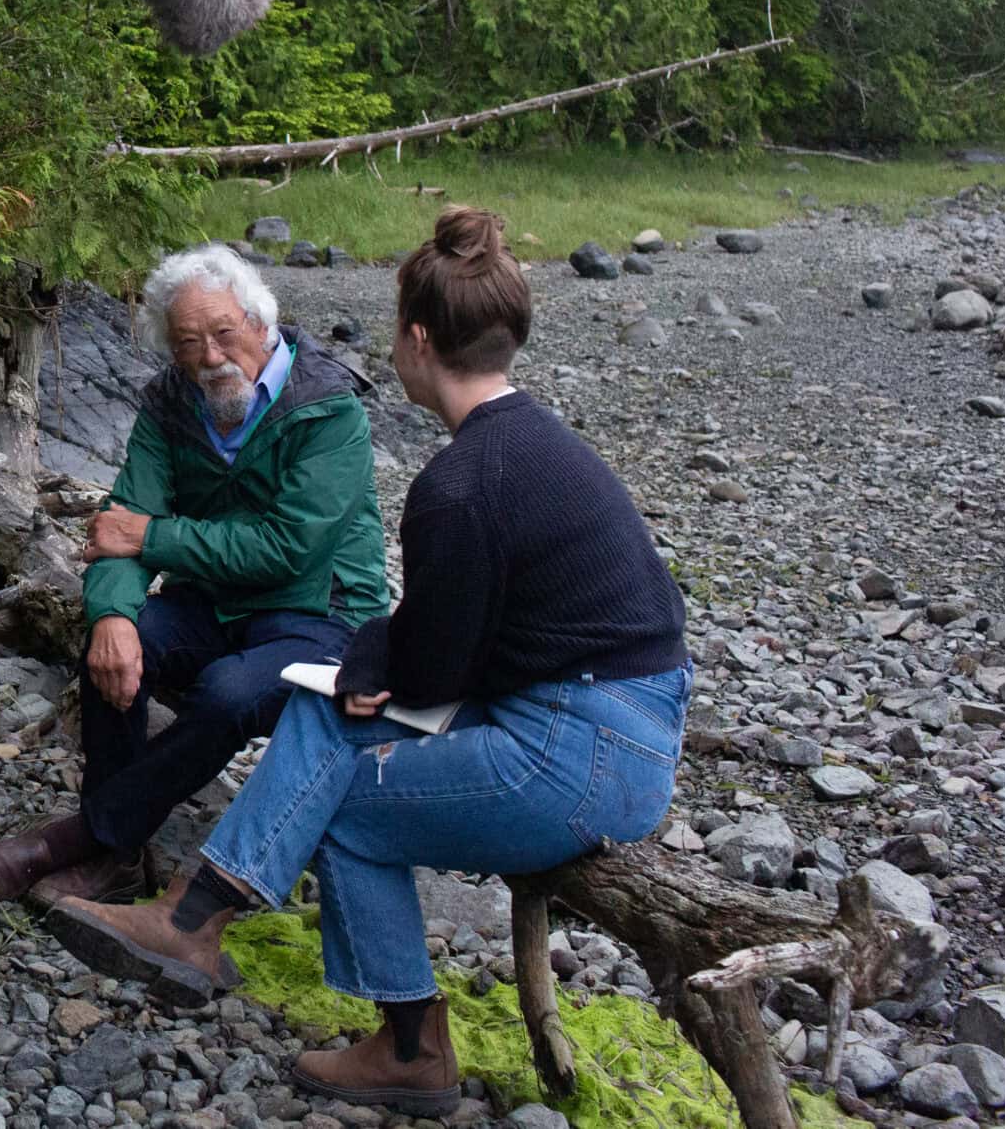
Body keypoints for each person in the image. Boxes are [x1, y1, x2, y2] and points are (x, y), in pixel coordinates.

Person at [40, 207, 692, 1115]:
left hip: (585, 752)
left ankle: (412, 1044)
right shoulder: (528, 442)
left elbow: (429, 667)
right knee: (318, 713)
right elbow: (445, 645)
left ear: (419, 341)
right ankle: (191, 920)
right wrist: (377, 664)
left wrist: (380, 660)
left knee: (343, 802)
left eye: (393, 330)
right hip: (595, 715)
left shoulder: (458, 485)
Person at [0, 245, 389, 911]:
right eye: (190, 341)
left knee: (224, 692)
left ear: (260, 322)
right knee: (124, 642)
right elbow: (119, 526)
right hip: (216, 604)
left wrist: (153, 537)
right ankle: (120, 862)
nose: (212, 355)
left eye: (224, 332)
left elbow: (286, 549)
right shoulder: (171, 402)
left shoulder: (329, 408)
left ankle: (84, 839)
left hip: (321, 617)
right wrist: (110, 616)